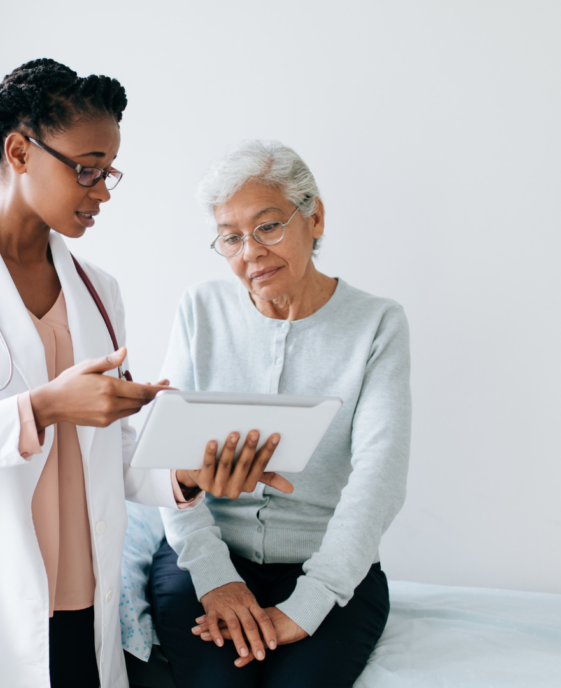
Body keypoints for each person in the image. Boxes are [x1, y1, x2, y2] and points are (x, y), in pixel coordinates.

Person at [0, 61, 290, 688]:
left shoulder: (100, 292)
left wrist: (190, 473)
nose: (104, 190)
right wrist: (42, 409)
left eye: (109, 171)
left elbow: (110, 457)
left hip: (80, 601)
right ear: (19, 151)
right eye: (87, 168)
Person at [148, 140, 411, 688]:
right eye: (231, 237)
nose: (251, 252)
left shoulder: (378, 324)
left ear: (314, 218)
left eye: (268, 227)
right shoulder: (200, 309)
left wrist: (310, 602)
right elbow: (166, 458)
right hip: (204, 556)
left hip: (330, 565)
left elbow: (379, 476)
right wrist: (217, 578)